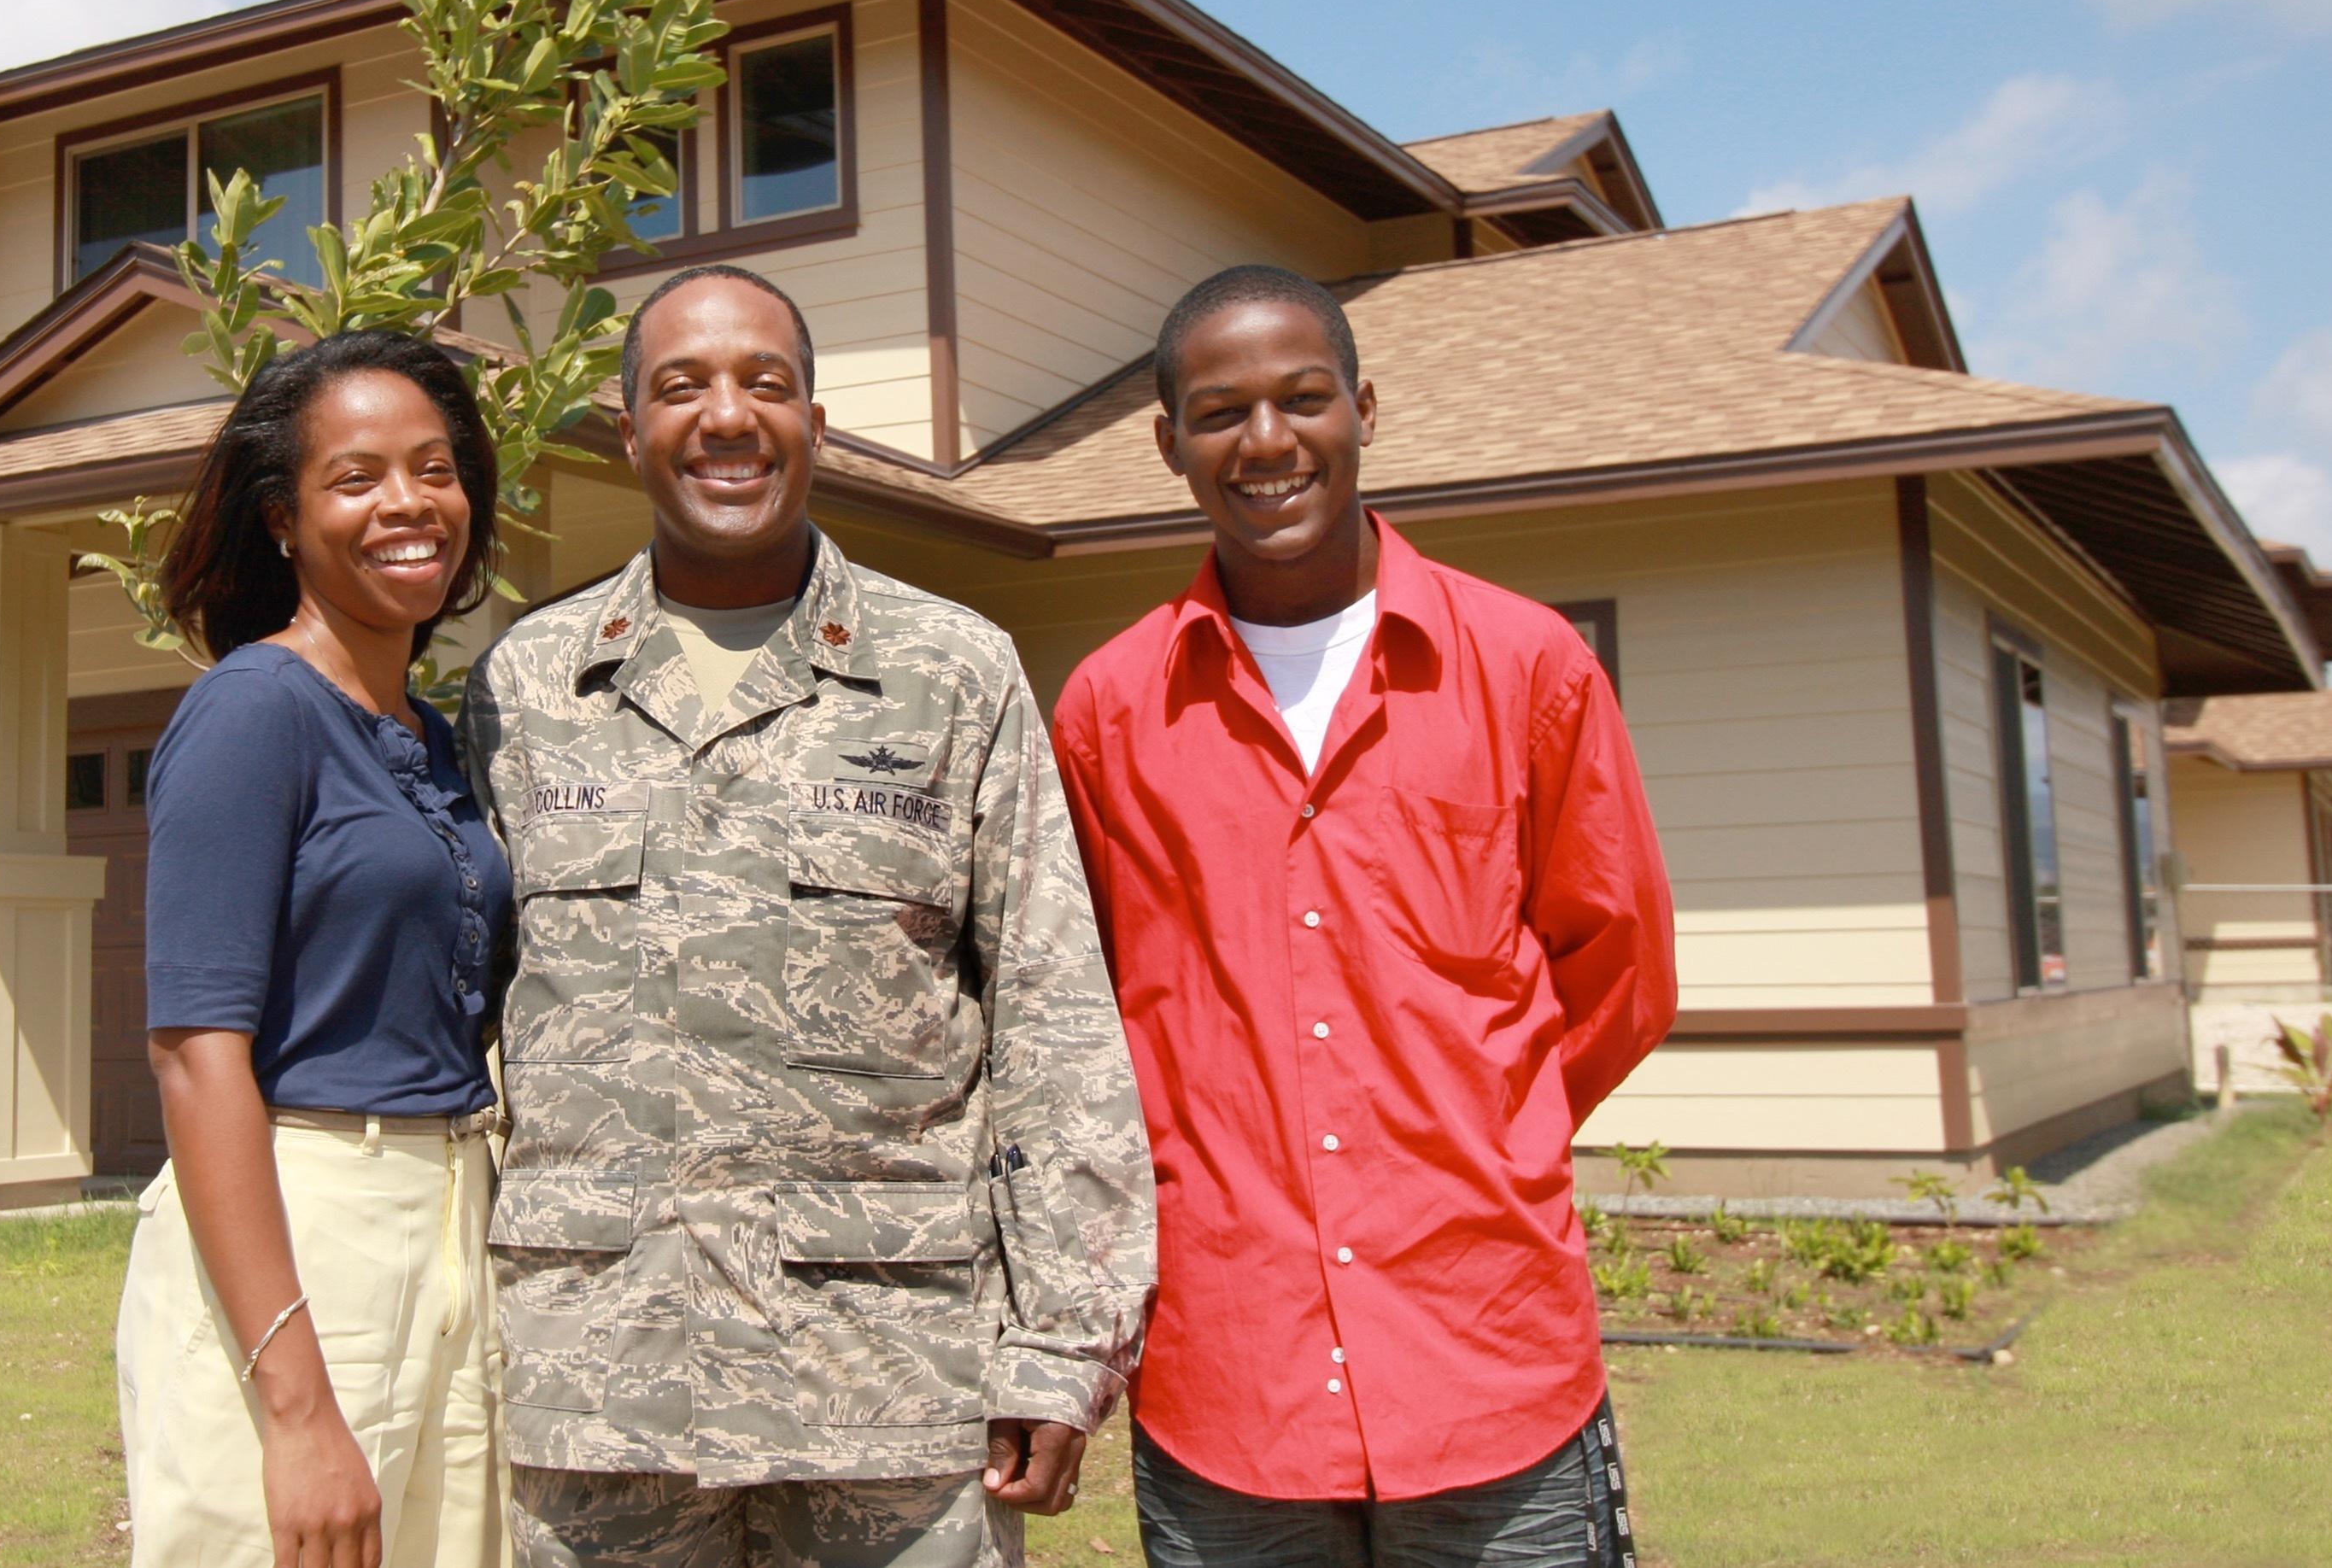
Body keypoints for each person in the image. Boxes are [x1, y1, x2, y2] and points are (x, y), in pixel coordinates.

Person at [460, 263, 1156, 1568]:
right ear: (628, 433)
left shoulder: (950, 669)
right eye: (681, 386)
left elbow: (1054, 1021)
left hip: (890, 1401)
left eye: (764, 383)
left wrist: (1065, 1337)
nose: (727, 416)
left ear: (815, 426)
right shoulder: (525, 686)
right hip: (603, 1394)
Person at [1053, 265, 1679, 1568]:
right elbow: (1080, 1014)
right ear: (1169, 444)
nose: (1267, 441)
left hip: (1490, 1355)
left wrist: (1479, 1135)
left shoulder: (1524, 666)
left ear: (1365, 410)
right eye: (1220, 412)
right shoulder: (1109, 713)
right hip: (1230, 1380)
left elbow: (1618, 966)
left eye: (1303, 398)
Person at [117, 330, 510, 1568]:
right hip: (305, 1224)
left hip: (456, 1217)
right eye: (357, 477)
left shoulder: (442, 739)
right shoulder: (250, 710)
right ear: (283, 519)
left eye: (435, 468)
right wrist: (296, 1410)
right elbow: (194, 1054)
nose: (409, 503)